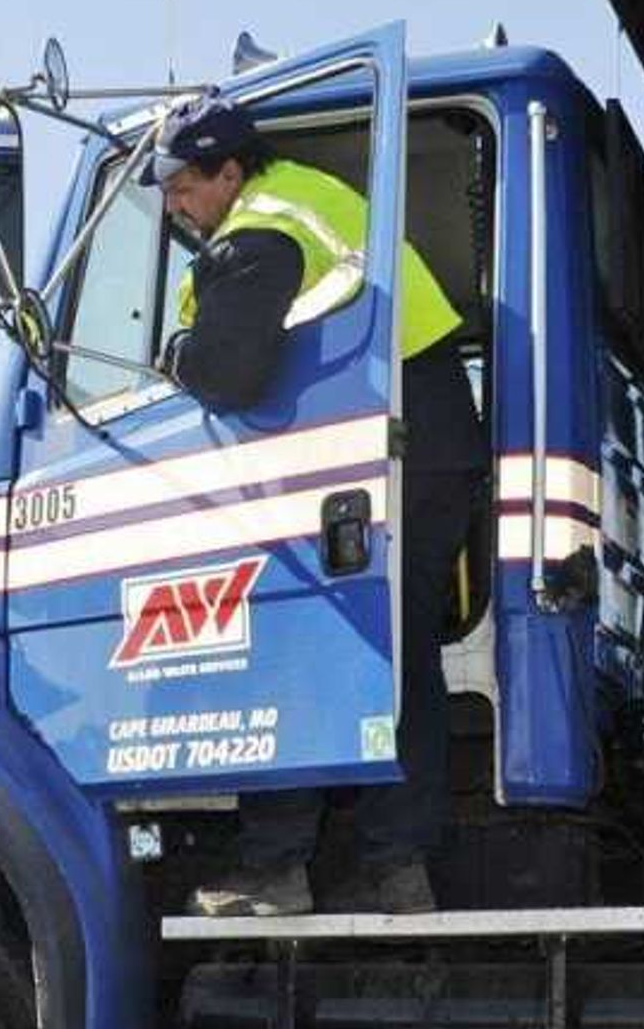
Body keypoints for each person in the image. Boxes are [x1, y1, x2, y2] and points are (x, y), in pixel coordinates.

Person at [149, 99, 484, 919]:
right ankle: (396, 870)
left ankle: (275, 867)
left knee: (297, 646)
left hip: (387, 441)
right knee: (398, 654)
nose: (175, 207)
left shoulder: (259, 230)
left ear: (231, 172)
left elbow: (227, 373)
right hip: (421, 429)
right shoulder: (308, 199)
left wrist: (169, 352)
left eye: (185, 188)